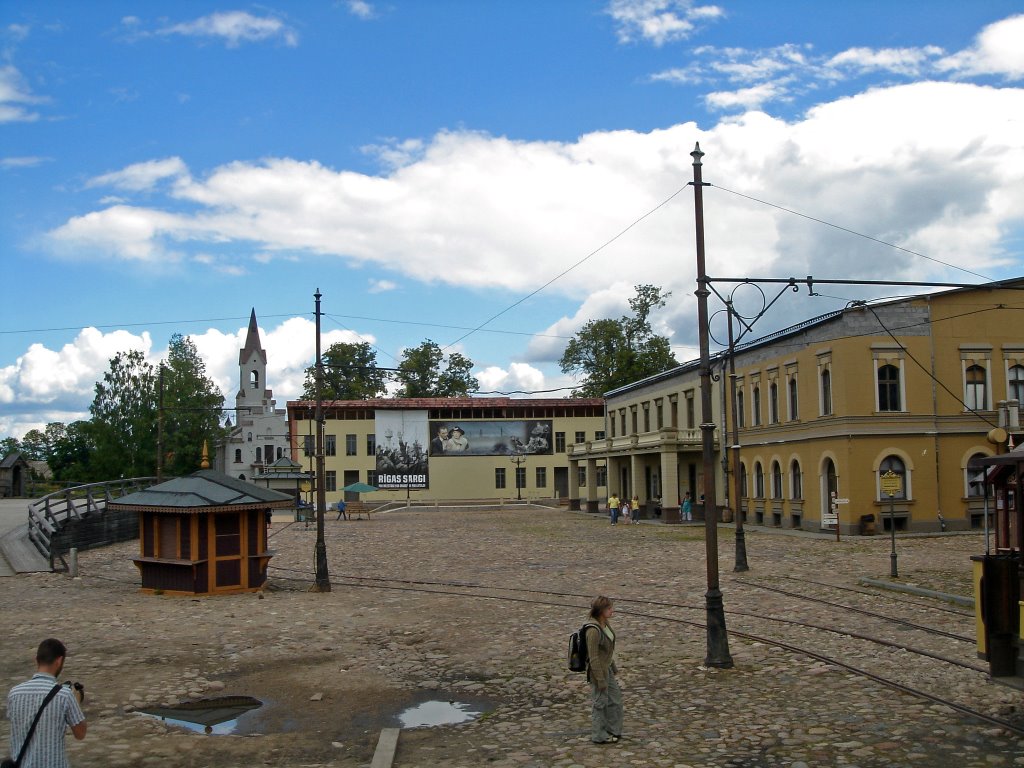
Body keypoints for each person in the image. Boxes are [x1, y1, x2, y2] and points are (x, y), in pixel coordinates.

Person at [6, 638, 86, 768]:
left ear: (36, 660)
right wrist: (75, 702)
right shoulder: (64, 695)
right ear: (59, 661)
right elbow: (80, 733)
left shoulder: (14, 693)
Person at [585, 596, 622, 744]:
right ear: (601, 611)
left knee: (615, 700)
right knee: (600, 703)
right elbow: (593, 657)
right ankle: (599, 736)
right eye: (609, 608)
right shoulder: (593, 631)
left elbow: (607, 651)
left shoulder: (605, 624)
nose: (612, 610)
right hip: (598, 672)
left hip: (607, 669)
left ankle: (613, 730)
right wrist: (600, 680)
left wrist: (613, 668)